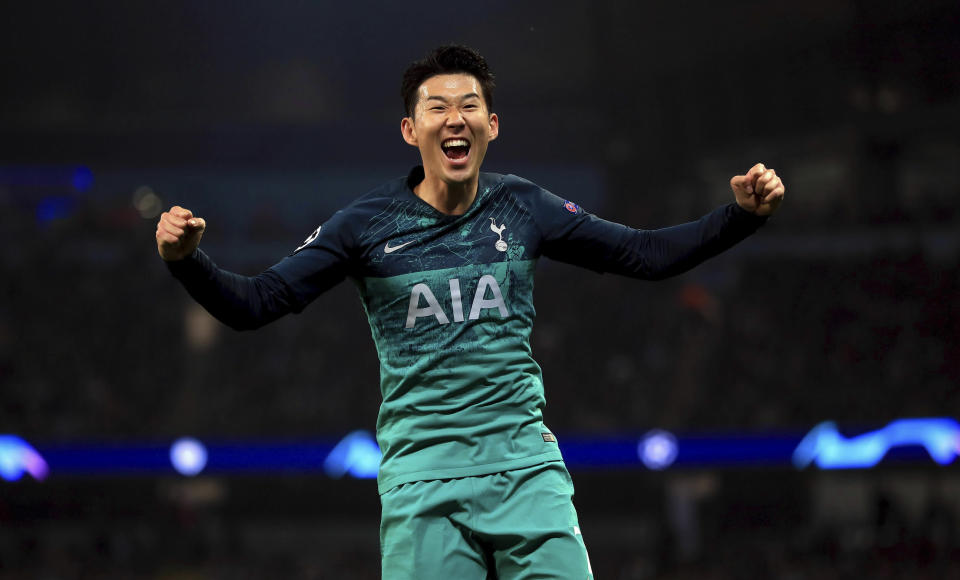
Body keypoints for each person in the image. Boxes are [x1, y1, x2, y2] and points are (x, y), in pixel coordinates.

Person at [156, 45, 784, 579]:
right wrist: (188, 260)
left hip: (525, 470)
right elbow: (255, 303)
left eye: (469, 106)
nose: (454, 118)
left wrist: (740, 217)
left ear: (492, 125)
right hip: (422, 482)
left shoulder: (522, 206)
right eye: (437, 107)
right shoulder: (364, 226)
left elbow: (645, 255)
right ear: (410, 129)